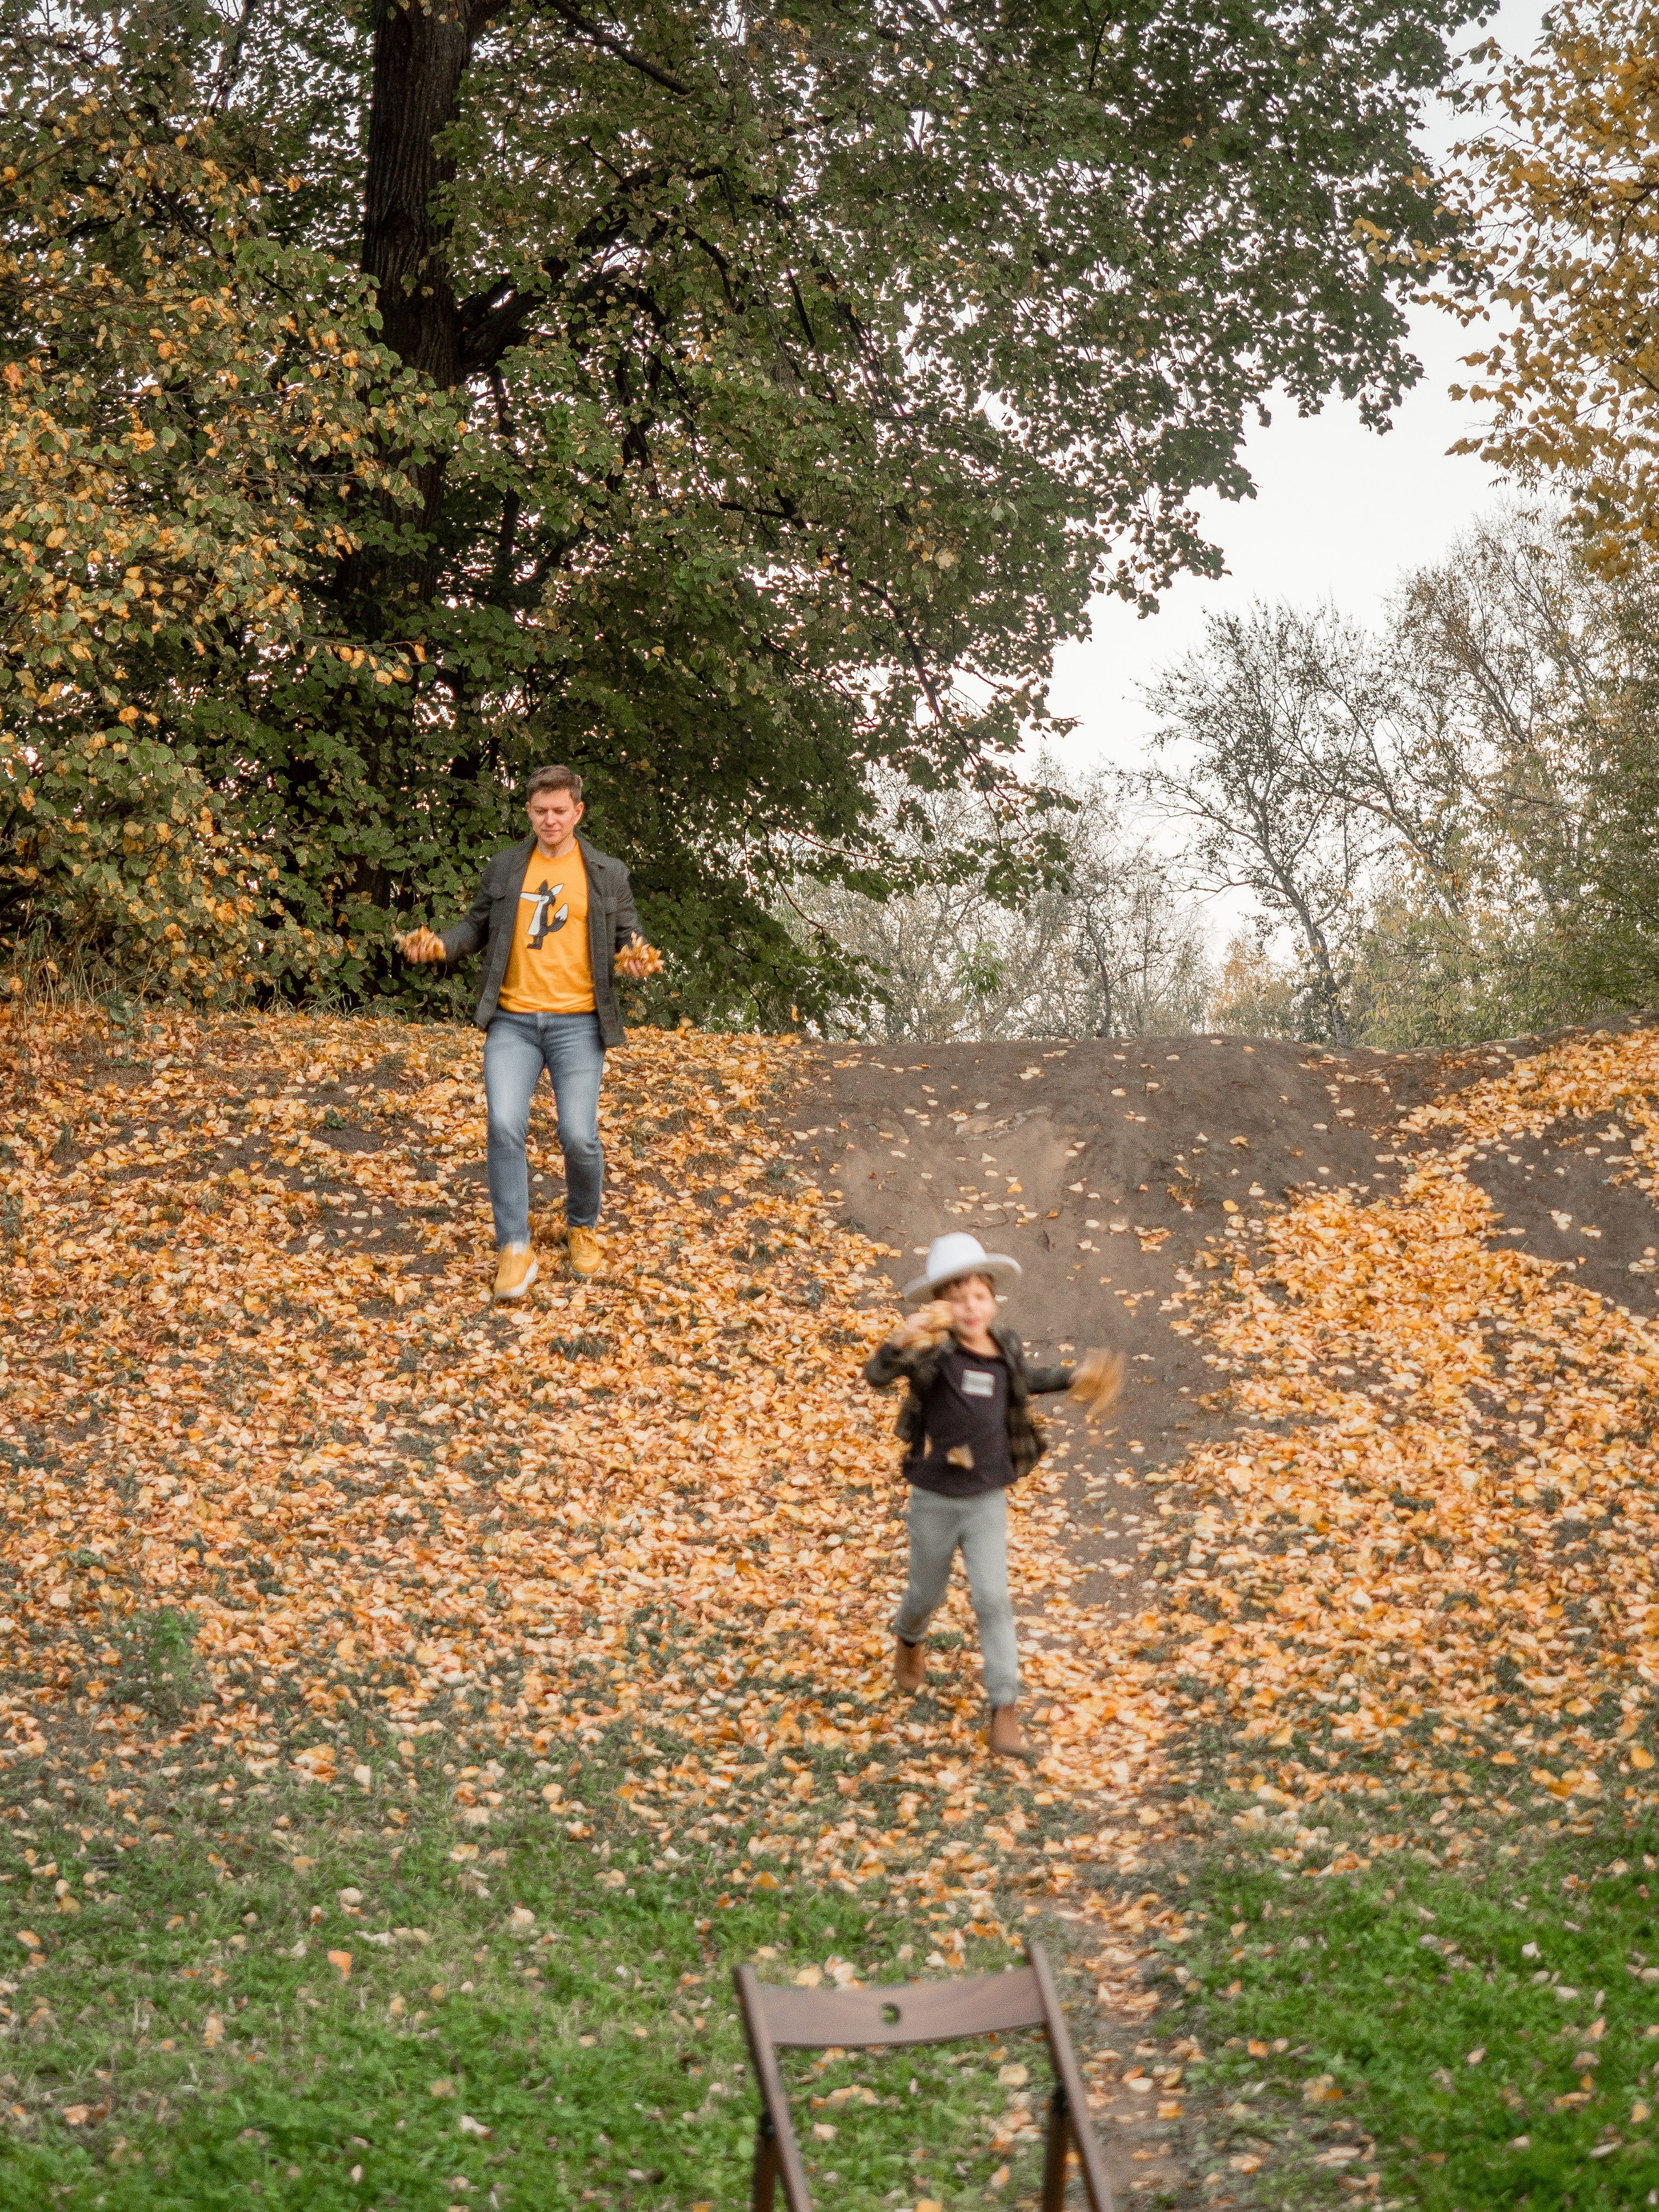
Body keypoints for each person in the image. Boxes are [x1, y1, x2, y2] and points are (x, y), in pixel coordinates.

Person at [397, 764, 660, 1299]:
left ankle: (582, 1226)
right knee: (504, 1124)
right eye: (540, 811)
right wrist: (442, 945)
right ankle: (514, 1247)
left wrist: (634, 957)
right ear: (529, 813)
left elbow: (629, 937)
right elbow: (475, 927)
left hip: (578, 1024)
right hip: (513, 1022)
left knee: (579, 1136)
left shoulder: (606, 872)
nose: (550, 819)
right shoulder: (507, 867)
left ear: (578, 812)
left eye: (560, 810)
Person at [864, 1232, 1121, 1758]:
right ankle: (909, 1640)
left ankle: (1005, 1711)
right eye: (956, 1299)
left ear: (993, 1301)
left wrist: (1077, 1376)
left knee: (993, 1599)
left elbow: (1025, 1381)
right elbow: (876, 1376)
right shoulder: (930, 1354)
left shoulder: (1005, 1351)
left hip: (986, 1499)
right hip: (934, 1498)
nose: (969, 1307)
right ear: (941, 1307)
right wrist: (899, 1338)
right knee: (925, 1594)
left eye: (978, 1296)